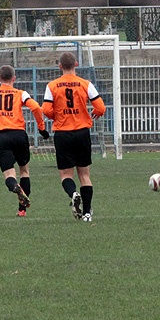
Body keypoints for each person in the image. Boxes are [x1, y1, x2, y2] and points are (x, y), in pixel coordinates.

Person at [0, 65, 48, 217]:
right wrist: (41, 128)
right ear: (14, 78)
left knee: (10, 175)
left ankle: (14, 186)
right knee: (24, 171)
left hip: (1, 137)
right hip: (19, 135)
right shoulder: (20, 93)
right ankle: (22, 210)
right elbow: (35, 107)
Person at [42, 52, 106, 221]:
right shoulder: (85, 84)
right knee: (84, 175)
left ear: (60, 66)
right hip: (82, 132)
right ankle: (86, 213)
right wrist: (95, 113)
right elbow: (100, 107)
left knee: (65, 175)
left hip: (63, 133)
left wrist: (58, 115)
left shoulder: (52, 85)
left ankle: (73, 193)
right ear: (76, 64)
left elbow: (46, 110)